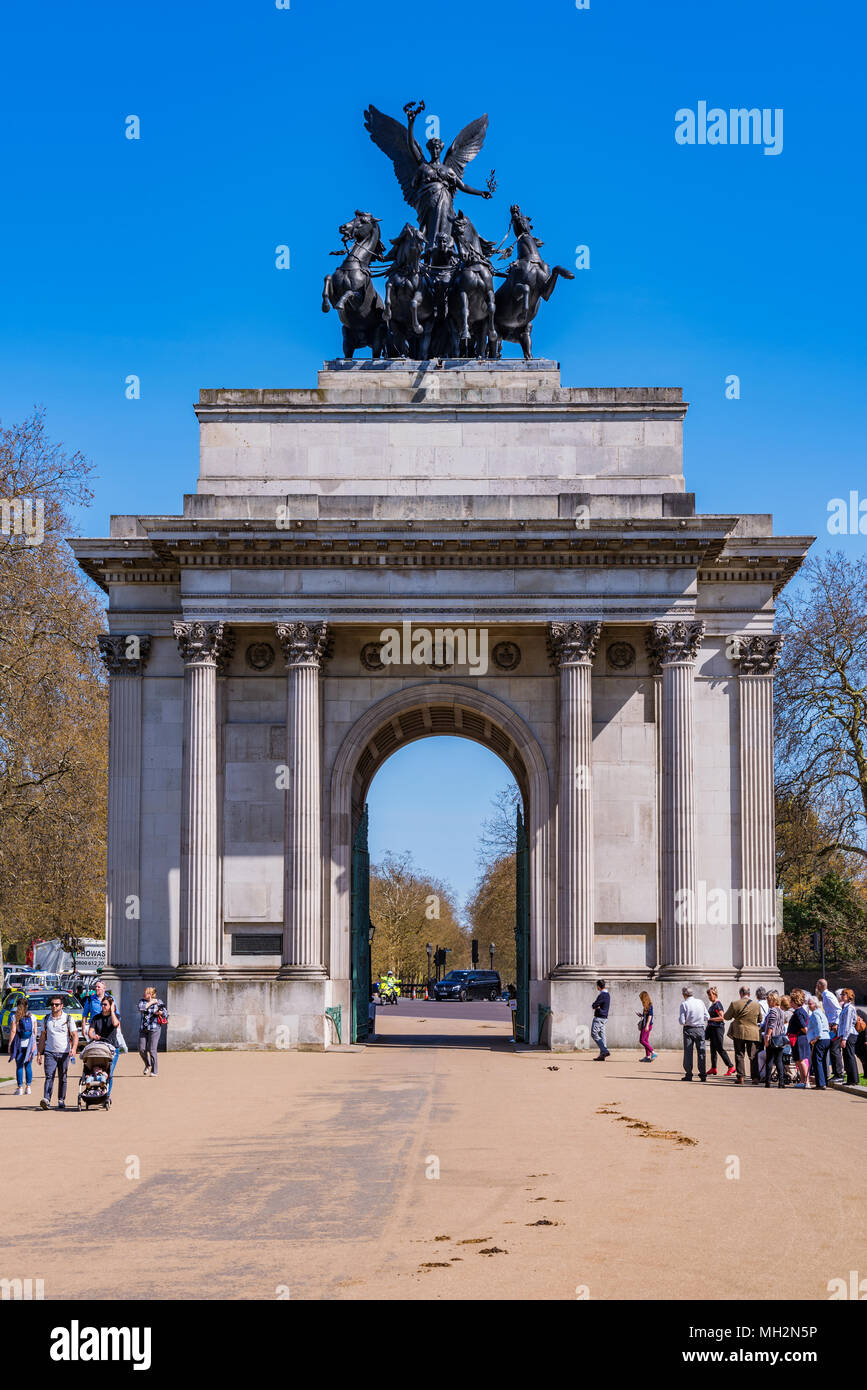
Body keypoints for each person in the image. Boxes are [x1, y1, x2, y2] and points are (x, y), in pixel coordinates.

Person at [36, 994, 79, 1110]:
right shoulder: (46, 1019)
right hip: (50, 1052)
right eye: (52, 1004)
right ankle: (46, 1099)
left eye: (56, 1004)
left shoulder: (68, 1018)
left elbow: (75, 1035)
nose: (54, 1006)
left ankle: (61, 1099)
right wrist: (39, 1053)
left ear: (62, 1006)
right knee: (49, 1076)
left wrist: (74, 1048)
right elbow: (42, 1037)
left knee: (63, 1077)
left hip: (64, 1052)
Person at [723, 986, 762, 1085]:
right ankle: (755, 1078)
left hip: (739, 1032)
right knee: (753, 1055)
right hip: (753, 1033)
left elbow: (726, 1017)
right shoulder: (756, 1005)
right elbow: (760, 1019)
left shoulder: (735, 1004)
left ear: (740, 993)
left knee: (739, 1055)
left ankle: (741, 1077)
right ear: (749, 993)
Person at [89, 995, 122, 1088]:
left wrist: (112, 1011)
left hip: (112, 1048)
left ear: (111, 1006)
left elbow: (115, 1024)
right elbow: (90, 1032)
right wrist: (94, 1036)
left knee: (109, 1072)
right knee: (97, 1070)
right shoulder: (96, 1018)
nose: (103, 1006)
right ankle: (97, 1090)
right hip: (99, 1047)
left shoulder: (115, 1016)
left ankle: (107, 1095)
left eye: (105, 1005)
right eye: (102, 1004)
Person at [678, 987, 709, 1081]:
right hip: (700, 1029)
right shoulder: (700, 1002)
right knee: (702, 1052)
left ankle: (689, 1074)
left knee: (688, 1052)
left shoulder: (684, 1004)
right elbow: (707, 1016)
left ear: (684, 994)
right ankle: (703, 1074)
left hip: (689, 1029)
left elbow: (682, 1021)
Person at [817, 979, 844, 1082]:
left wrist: (836, 1023)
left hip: (834, 1026)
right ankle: (836, 1073)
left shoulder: (828, 996)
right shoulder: (825, 995)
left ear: (820, 985)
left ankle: (839, 1074)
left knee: (834, 1050)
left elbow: (838, 1010)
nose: (816, 987)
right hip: (830, 1025)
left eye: (817, 985)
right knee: (833, 1050)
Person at [9, 997, 36, 1096]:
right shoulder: (33, 1017)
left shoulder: (15, 1017)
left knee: (19, 1066)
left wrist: (10, 1044)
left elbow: (13, 1031)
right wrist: (34, 1045)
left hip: (19, 1044)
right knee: (28, 1066)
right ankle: (28, 1087)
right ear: (27, 1006)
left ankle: (20, 1087)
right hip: (29, 1044)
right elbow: (34, 1032)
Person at [138, 986, 167, 1076]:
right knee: (141, 1049)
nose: (144, 994)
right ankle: (148, 1064)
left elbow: (166, 1013)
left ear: (151, 994)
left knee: (152, 1049)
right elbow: (142, 1009)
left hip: (155, 1028)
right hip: (143, 1029)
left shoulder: (159, 1002)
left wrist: (161, 1013)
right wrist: (151, 1002)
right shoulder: (142, 1001)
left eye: (146, 992)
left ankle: (154, 1071)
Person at [762, 992, 789, 1088]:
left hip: (773, 1038)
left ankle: (768, 1082)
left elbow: (771, 1025)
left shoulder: (773, 1010)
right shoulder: (782, 1011)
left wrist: (767, 1037)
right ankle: (781, 1082)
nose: (768, 1003)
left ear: (773, 1001)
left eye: (769, 1001)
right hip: (780, 1038)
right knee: (779, 1061)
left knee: (770, 1060)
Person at [706, 987, 735, 1076]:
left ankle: (731, 1066)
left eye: (710, 995)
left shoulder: (718, 1005)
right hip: (712, 1029)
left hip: (718, 1029)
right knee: (713, 1049)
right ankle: (713, 1068)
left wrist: (710, 1019)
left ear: (715, 994)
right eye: (708, 995)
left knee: (719, 1048)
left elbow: (722, 1017)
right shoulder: (713, 1004)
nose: (709, 997)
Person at [787, 989, 812, 1088]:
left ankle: (806, 1081)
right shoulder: (801, 1011)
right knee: (798, 1061)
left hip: (799, 1039)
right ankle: (803, 1081)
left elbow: (805, 1028)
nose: (790, 1003)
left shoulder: (798, 1013)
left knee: (801, 1061)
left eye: (791, 1001)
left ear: (794, 1001)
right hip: (799, 1039)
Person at [806, 996, 831, 1090]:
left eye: (810, 1004)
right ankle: (824, 1081)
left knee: (817, 1061)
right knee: (823, 1061)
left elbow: (819, 1026)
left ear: (815, 1004)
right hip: (826, 1039)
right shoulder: (821, 1013)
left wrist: (816, 1038)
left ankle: (820, 1084)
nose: (809, 1006)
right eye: (808, 1004)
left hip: (820, 1039)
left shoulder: (815, 1014)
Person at [838, 989, 860, 1087]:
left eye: (845, 994)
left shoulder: (849, 1008)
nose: (842, 996)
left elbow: (847, 1024)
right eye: (842, 994)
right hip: (845, 1034)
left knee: (850, 1056)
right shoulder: (844, 1007)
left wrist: (844, 1038)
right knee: (846, 1056)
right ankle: (850, 1079)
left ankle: (854, 1079)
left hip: (850, 1034)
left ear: (849, 996)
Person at [591, 979, 610, 1060]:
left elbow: (594, 1005)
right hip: (604, 1017)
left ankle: (604, 1050)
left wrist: (596, 1006)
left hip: (599, 1017)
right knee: (602, 1035)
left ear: (598, 986)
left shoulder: (602, 995)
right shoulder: (607, 994)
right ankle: (602, 1055)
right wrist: (597, 1006)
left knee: (594, 1033)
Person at [637, 990, 656, 1061]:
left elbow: (650, 1016)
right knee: (645, 1040)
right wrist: (641, 1015)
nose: (641, 1000)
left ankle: (653, 1052)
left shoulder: (650, 1005)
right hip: (646, 1025)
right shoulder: (646, 1006)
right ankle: (647, 1057)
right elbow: (647, 1015)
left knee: (641, 1040)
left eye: (641, 998)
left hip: (647, 1025)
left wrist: (647, 1025)